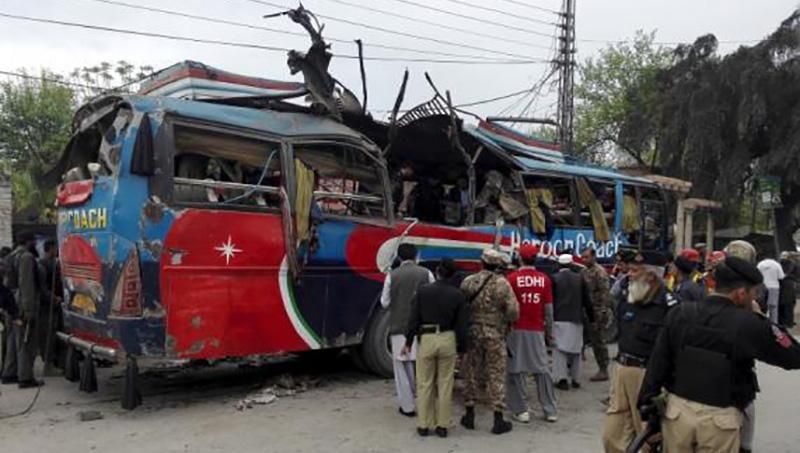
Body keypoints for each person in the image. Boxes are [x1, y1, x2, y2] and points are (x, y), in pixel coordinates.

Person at [639, 257, 800, 453]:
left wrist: (646, 412)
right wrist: (761, 318)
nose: (754, 298)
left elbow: (657, 365)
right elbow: (793, 356)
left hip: (678, 415)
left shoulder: (680, 313)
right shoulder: (749, 324)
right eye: (753, 293)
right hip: (720, 421)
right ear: (741, 293)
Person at [601, 250, 670, 453]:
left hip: (647, 375)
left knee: (648, 438)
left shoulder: (669, 306)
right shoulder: (629, 299)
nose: (628, 275)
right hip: (622, 369)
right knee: (612, 436)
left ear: (651, 276)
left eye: (634, 271)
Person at [402, 258, 468, 438]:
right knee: (445, 384)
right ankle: (442, 425)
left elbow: (413, 319)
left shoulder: (422, 291)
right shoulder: (458, 295)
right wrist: (462, 349)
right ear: (453, 275)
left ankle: (424, 425)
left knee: (425, 383)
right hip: (448, 339)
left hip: (427, 338)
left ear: (437, 271)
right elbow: (462, 326)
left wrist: (408, 342)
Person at [459, 248, 519, 435]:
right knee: (496, 373)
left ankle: (469, 413)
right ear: (498, 265)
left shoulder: (469, 281)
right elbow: (513, 312)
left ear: (481, 263)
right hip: (494, 332)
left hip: (473, 331)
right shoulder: (503, 284)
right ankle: (498, 419)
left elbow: (461, 304)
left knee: (470, 370)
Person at [505, 244, 559, 423]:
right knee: (542, 370)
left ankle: (521, 410)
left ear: (520, 258)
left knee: (516, 369)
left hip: (516, 329)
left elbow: (508, 308)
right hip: (537, 329)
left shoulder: (511, 279)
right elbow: (549, 310)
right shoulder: (545, 279)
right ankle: (550, 410)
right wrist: (550, 334)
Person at [380, 243, 434, 417]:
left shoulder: (392, 275)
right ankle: (421, 401)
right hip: (422, 328)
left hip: (400, 327)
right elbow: (433, 296)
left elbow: (384, 302)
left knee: (402, 366)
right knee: (419, 365)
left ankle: (408, 406)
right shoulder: (426, 273)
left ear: (399, 257)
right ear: (416, 256)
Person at [1, 232, 43, 388]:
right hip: (21, 302)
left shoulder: (10, 256)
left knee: (13, 339)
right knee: (25, 340)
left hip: (10, 302)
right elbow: (26, 284)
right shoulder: (26, 257)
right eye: (33, 241)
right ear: (28, 242)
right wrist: (28, 309)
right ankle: (25, 377)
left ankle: (9, 373)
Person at [551, 254, 594, 391]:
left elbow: (551, 300)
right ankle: (576, 379)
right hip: (577, 318)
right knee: (576, 349)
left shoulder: (554, 278)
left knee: (560, 350)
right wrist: (592, 318)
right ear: (571, 264)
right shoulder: (580, 279)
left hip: (559, 318)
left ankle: (561, 379)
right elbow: (587, 301)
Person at [580, 247, 612, 382]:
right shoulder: (583, 271)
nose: (583, 260)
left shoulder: (600, 272)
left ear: (593, 257)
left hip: (598, 311)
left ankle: (603, 369)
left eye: (586, 257)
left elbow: (605, 293)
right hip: (587, 309)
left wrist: (603, 311)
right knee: (589, 339)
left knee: (599, 341)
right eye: (582, 257)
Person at [38, 239, 63, 371]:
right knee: (48, 334)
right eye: (55, 248)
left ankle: (56, 361)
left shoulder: (55, 263)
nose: (57, 250)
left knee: (55, 333)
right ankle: (48, 364)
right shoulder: (43, 264)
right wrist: (53, 298)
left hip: (55, 304)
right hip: (47, 305)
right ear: (51, 248)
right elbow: (42, 288)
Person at [757, 256, 785, 323]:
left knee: (761, 306)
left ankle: (761, 322)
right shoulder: (776, 264)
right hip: (774, 287)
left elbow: (756, 275)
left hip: (762, 287)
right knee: (773, 307)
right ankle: (774, 324)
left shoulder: (760, 264)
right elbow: (781, 277)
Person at [779, 258, 796, 327]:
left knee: (785, 305)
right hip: (790, 286)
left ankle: (786, 322)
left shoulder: (783, 265)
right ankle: (789, 322)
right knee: (789, 305)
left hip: (785, 286)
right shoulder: (791, 265)